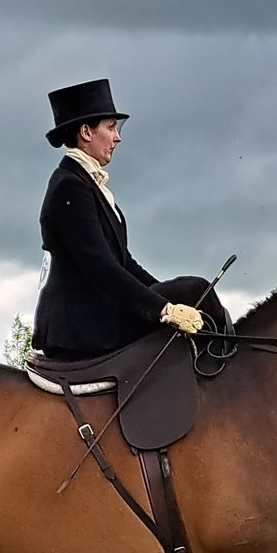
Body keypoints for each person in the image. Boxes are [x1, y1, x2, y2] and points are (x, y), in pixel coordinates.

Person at [32, 78, 229, 359]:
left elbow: (124, 262)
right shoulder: (70, 186)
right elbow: (101, 267)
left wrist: (168, 298)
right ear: (86, 132)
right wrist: (164, 309)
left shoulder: (86, 182)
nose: (118, 137)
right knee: (195, 288)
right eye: (111, 127)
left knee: (194, 293)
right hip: (82, 324)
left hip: (97, 311)